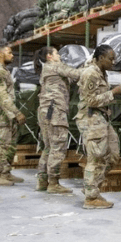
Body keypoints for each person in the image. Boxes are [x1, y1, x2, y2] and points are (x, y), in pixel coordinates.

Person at [76, 44, 121, 209]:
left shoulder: (101, 72)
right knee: (96, 157)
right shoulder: (90, 73)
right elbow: (90, 100)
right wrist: (113, 92)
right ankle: (91, 197)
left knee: (113, 155)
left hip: (101, 118)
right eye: (110, 59)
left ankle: (91, 186)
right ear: (100, 58)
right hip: (91, 119)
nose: (113, 62)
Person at [33, 46, 83, 194]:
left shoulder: (47, 69)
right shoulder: (55, 66)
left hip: (46, 110)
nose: (59, 56)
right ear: (49, 56)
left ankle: (42, 181)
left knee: (48, 147)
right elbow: (77, 74)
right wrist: (90, 66)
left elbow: (70, 79)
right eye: (56, 53)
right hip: (55, 111)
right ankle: (53, 183)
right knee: (58, 147)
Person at [0, 45, 27, 186]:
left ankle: (5, 173)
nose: (12, 55)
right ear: (0, 54)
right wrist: (17, 112)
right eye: (9, 52)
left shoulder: (3, 70)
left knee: (9, 145)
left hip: (7, 114)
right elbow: (1, 95)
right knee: (0, 145)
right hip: (0, 114)